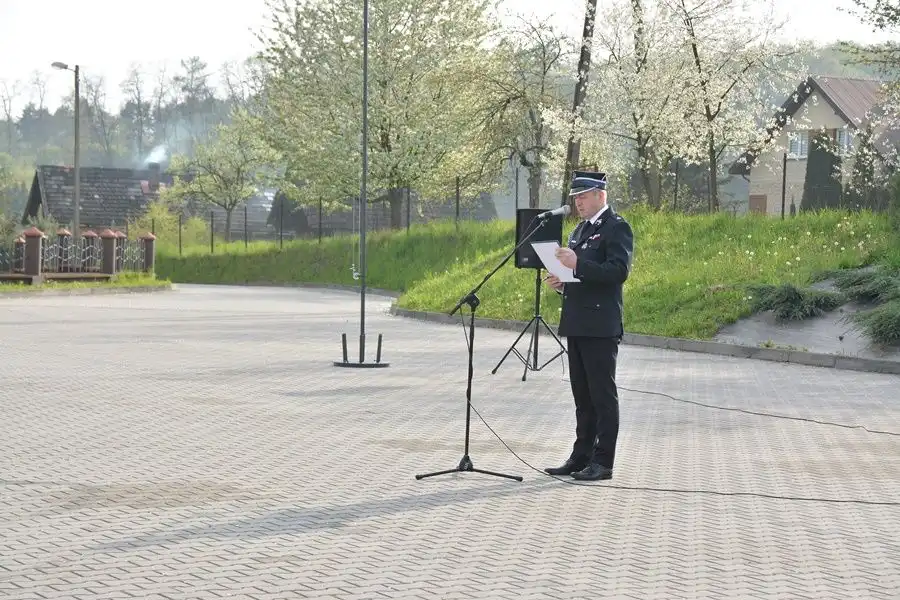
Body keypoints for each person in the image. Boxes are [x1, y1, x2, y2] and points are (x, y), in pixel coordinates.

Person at [543, 170, 634, 481]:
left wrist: (577, 264)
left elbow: (617, 271)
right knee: (582, 395)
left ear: (601, 195)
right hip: (577, 320)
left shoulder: (616, 227)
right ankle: (580, 456)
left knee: (602, 396)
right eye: (575, 197)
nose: (578, 202)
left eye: (583, 195)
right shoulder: (579, 230)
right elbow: (582, 276)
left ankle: (603, 461)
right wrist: (562, 282)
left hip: (600, 323)